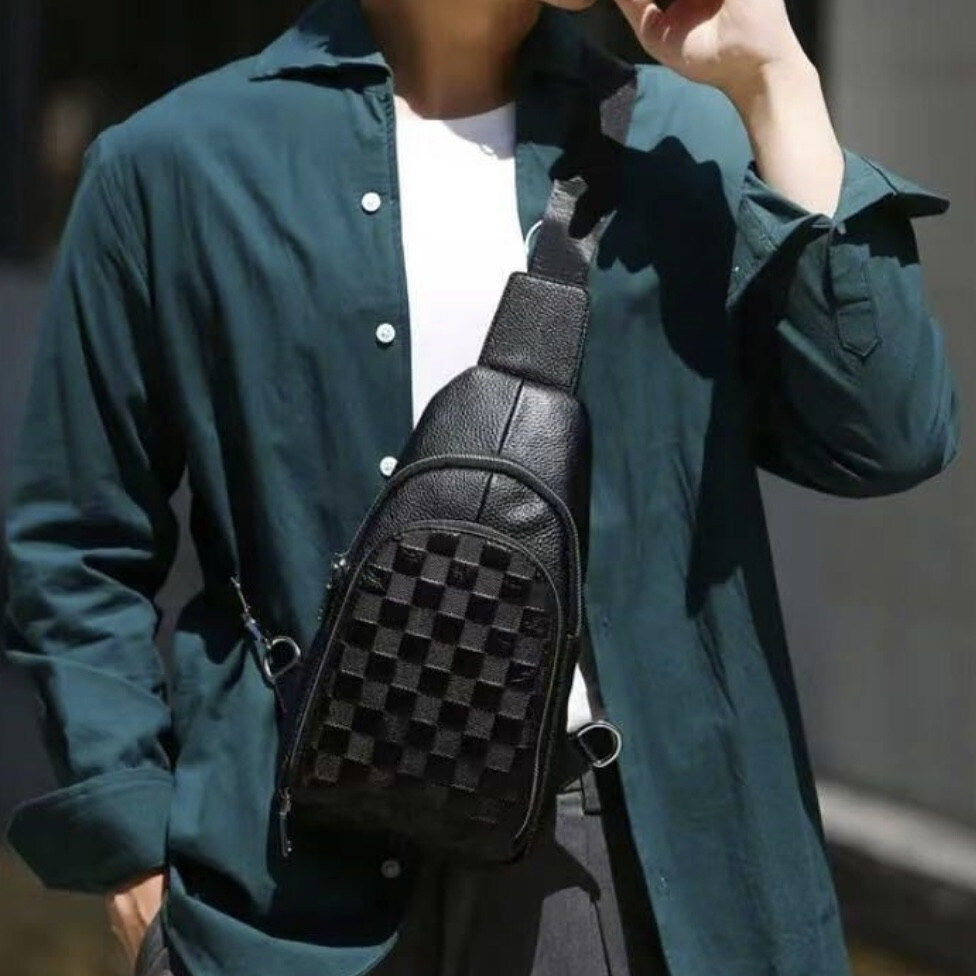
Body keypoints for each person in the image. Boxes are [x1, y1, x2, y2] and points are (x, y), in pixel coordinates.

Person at [2, 0, 958, 974]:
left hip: (605, 862)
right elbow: (76, 542)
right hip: (289, 884)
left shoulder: (689, 138)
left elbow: (887, 436)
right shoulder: (177, 165)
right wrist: (134, 846)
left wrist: (777, 83)